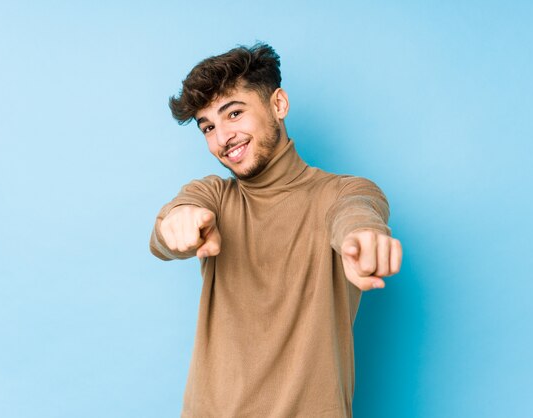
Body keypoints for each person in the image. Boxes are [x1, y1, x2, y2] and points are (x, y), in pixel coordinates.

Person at [150, 42, 402, 418]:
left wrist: (362, 240)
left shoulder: (343, 192)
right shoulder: (213, 196)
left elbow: (357, 214)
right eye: (208, 128)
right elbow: (169, 228)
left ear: (278, 105)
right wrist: (179, 224)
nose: (222, 138)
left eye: (234, 113)